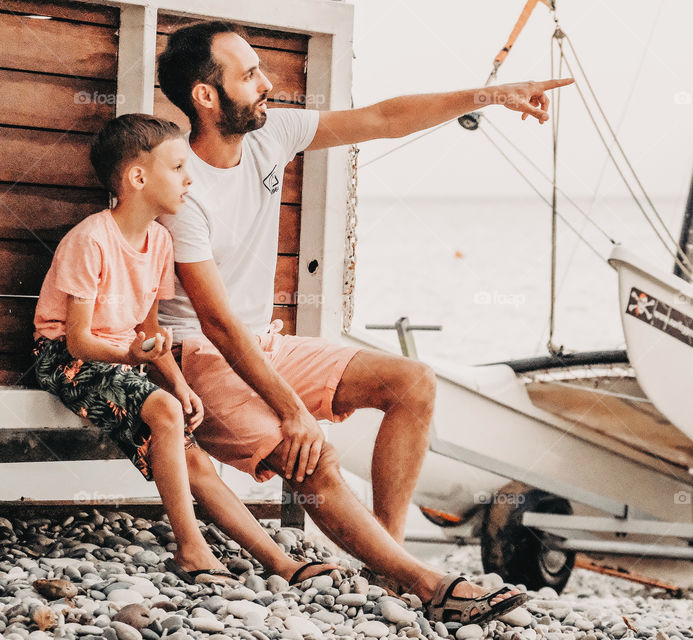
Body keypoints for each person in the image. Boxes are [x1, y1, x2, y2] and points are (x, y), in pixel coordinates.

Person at [156, 20, 571, 622]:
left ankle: (389, 556)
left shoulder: (270, 135)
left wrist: (492, 94)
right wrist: (293, 411)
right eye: (249, 75)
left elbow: (382, 118)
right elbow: (217, 325)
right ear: (206, 96)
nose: (268, 83)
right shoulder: (186, 194)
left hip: (261, 344)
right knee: (311, 455)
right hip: (198, 359)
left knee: (413, 383)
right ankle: (426, 583)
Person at [31, 114, 234, 585]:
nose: (189, 179)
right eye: (179, 166)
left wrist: (180, 383)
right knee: (161, 410)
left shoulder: (160, 241)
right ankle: (191, 549)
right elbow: (78, 340)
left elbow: (148, 331)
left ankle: (279, 561)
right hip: (62, 357)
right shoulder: (91, 239)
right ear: (138, 178)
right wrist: (134, 362)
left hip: (119, 359)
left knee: (176, 421)